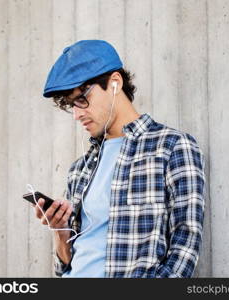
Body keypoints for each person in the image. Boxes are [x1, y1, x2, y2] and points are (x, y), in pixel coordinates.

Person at [34, 40, 206, 278]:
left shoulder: (171, 147)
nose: (77, 114)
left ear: (115, 83)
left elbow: (185, 245)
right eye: (71, 105)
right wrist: (60, 234)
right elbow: (66, 265)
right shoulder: (80, 169)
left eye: (82, 99)